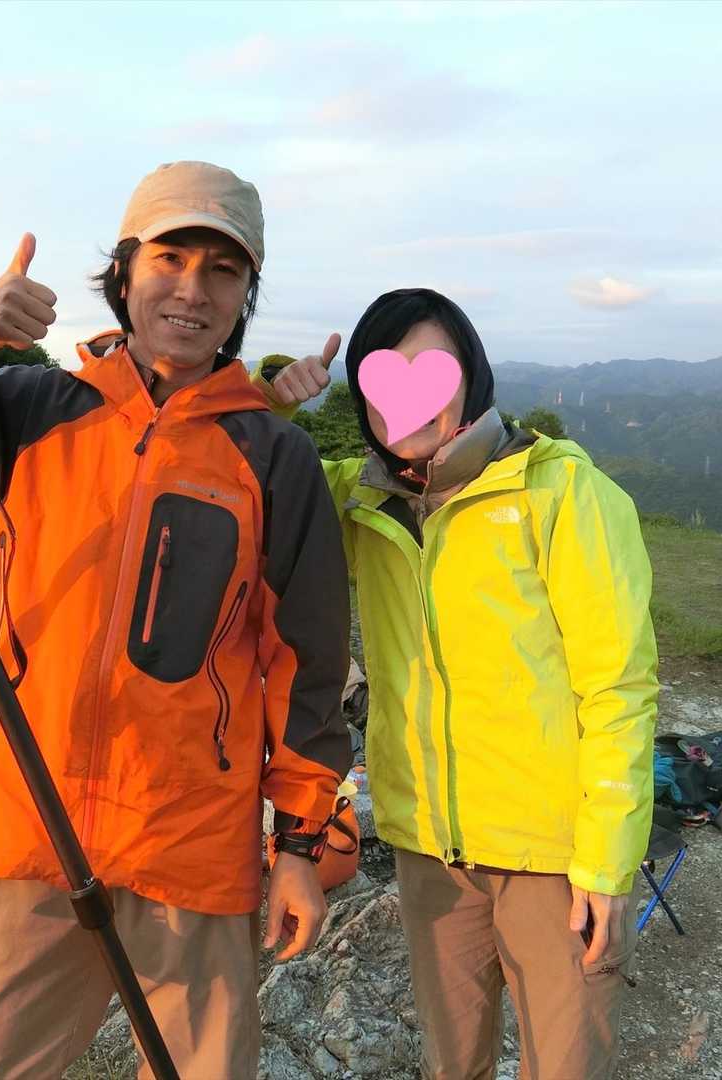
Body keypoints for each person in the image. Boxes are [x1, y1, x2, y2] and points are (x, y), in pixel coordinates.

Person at [0, 161, 353, 1078]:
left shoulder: (273, 454)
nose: (193, 289)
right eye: (170, 258)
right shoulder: (30, 407)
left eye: (223, 271)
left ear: (245, 296)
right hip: (34, 825)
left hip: (192, 841)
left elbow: (307, 660)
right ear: (124, 272)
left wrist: (298, 843)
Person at [259, 288, 658, 1080]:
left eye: (431, 369)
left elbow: (619, 687)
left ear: (470, 376)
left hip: (552, 855)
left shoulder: (561, 493)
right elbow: (255, 477)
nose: (408, 395)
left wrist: (609, 864)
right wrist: (268, 399)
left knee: (566, 1065)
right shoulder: (361, 499)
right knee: (451, 1063)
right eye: (384, 376)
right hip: (427, 848)